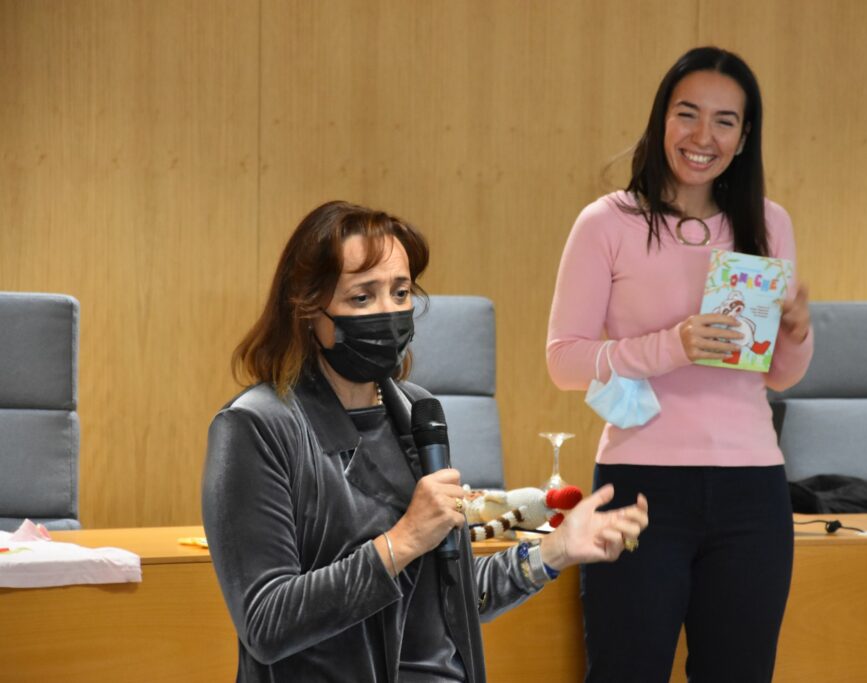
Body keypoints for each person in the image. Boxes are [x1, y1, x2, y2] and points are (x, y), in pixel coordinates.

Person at [202, 200, 648, 683]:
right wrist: (402, 541)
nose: (389, 312)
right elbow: (267, 623)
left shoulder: (416, 413)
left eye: (400, 292)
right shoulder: (255, 427)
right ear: (309, 309)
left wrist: (553, 551)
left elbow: (443, 598)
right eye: (361, 298)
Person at [546, 47, 813, 682]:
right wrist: (674, 344)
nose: (703, 136)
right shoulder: (606, 222)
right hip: (641, 486)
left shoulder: (769, 223)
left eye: (725, 121)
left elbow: (778, 375)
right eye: (686, 114)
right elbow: (564, 361)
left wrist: (796, 335)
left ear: (745, 138)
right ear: (661, 119)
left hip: (753, 491)